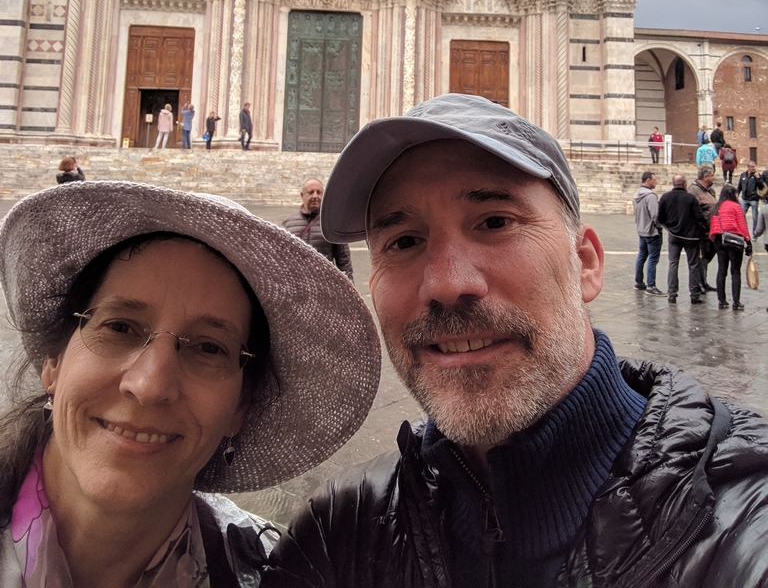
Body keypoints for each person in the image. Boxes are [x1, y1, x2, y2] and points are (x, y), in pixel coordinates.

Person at [265, 95, 768, 588]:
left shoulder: (745, 517)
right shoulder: (340, 532)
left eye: (495, 222)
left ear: (586, 263)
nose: (446, 283)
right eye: (404, 242)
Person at [0, 181, 380, 585]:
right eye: (120, 327)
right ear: (53, 363)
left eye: (209, 348)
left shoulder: (272, 574)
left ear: (241, 404)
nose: (150, 385)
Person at [283, 178, 354, 281]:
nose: (315, 196)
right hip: (297, 283)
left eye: (319, 193)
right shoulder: (288, 223)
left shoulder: (331, 222)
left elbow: (343, 260)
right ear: (302, 196)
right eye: (311, 192)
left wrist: (349, 287)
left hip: (323, 283)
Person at [658, 174, 709, 304]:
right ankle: (694, 295)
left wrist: (669, 226)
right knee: (693, 265)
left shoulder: (665, 197)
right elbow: (699, 217)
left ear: (673, 184)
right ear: (685, 184)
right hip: (691, 237)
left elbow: (660, 218)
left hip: (674, 235)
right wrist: (707, 227)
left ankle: (672, 294)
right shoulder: (691, 198)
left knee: (673, 263)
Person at [709, 184, 752, 311]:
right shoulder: (736, 207)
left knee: (722, 270)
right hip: (734, 240)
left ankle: (721, 301)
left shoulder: (716, 207)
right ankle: (736, 302)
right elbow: (742, 225)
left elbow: (713, 226)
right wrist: (748, 241)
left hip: (719, 240)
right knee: (735, 271)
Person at [632, 170, 665, 295]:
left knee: (641, 256)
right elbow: (655, 214)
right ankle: (651, 285)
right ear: (648, 180)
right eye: (654, 180)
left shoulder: (636, 195)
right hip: (651, 232)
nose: (655, 182)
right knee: (653, 258)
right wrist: (659, 227)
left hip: (641, 230)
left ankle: (639, 282)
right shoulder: (650, 196)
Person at [688, 164, 718, 291]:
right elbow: (691, 211)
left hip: (712, 231)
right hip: (700, 232)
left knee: (707, 257)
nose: (713, 178)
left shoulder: (710, 191)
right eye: (712, 176)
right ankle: (698, 283)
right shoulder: (693, 191)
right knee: (700, 259)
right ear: (705, 177)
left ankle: (703, 281)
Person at [736, 161, 760, 235]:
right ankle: (743, 232)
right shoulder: (743, 175)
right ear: (748, 167)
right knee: (741, 216)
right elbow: (739, 186)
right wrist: (736, 195)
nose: (753, 168)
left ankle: (755, 234)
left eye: (754, 166)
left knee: (755, 217)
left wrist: (758, 178)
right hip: (744, 199)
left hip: (754, 199)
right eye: (752, 167)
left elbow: (761, 186)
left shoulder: (757, 175)